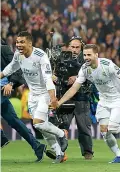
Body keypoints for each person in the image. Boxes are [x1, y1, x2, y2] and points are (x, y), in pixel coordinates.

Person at [54, 44, 120, 163]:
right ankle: (119, 156)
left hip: (118, 98)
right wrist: (59, 102)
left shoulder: (107, 64)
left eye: (89, 55)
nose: (86, 57)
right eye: (84, 55)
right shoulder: (84, 69)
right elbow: (74, 88)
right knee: (104, 130)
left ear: (96, 55)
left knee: (113, 129)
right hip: (104, 99)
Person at [0, 31, 69, 163]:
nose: (19, 45)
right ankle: (59, 153)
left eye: (22, 42)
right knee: (40, 126)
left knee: (38, 122)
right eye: (17, 42)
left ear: (30, 43)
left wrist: (53, 98)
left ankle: (61, 134)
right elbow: (11, 68)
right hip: (33, 94)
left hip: (45, 93)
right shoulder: (18, 55)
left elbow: (48, 78)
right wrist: (1, 75)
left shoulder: (40, 56)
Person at [0, 38, 46, 162]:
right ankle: (37, 146)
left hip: (3, 88)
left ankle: (1, 137)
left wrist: (10, 83)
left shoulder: (3, 49)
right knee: (14, 121)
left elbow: (17, 68)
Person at [52, 36, 95, 160]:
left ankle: (88, 152)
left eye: (77, 47)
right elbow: (55, 76)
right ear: (68, 47)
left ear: (81, 48)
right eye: (72, 47)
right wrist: (55, 78)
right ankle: (60, 152)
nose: (75, 50)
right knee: (62, 126)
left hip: (82, 97)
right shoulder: (60, 59)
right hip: (66, 97)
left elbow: (93, 74)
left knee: (84, 127)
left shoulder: (87, 59)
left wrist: (77, 78)